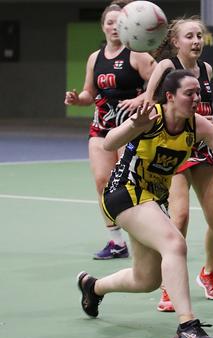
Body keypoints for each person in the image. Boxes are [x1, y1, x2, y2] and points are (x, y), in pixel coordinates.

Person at [76, 69, 213, 338]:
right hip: (124, 193)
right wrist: (133, 126)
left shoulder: (199, 125)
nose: (196, 98)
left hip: (152, 199)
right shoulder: (150, 116)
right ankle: (186, 326)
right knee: (174, 244)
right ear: (170, 96)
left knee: (146, 279)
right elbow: (109, 143)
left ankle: (92, 287)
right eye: (189, 93)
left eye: (198, 93)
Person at [146, 17, 213, 312]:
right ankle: (169, 286)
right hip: (175, 149)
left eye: (199, 36)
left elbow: (204, 112)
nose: (196, 41)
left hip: (202, 149)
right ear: (176, 42)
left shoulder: (206, 69)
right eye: (189, 36)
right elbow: (149, 102)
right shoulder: (166, 68)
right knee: (179, 219)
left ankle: (208, 272)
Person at [64, 0, 156, 259]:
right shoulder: (95, 57)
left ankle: (146, 235)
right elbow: (88, 93)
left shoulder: (137, 54)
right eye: (109, 22)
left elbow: (158, 85)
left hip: (132, 129)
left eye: (119, 22)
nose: (114, 27)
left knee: (133, 184)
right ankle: (117, 242)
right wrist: (77, 99)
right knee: (102, 182)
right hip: (102, 128)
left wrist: (140, 100)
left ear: (127, 26)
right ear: (103, 27)